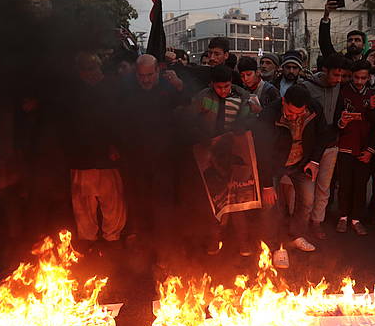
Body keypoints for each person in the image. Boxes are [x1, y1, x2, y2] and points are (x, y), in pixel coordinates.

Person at [186, 64, 258, 256]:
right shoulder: (204, 98)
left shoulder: (242, 96)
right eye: (219, 87)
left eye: (226, 86)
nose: (223, 91)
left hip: (235, 154)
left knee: (238, 201)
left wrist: (244, 124)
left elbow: (255, 114)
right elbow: (189, 119)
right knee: (216, 201)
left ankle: (243, 242)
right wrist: (200, 135)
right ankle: (214, 240)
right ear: (212, 85)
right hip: (211, 154)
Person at [118, 55, 184, 261]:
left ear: (157, 72)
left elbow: (189, 105)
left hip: (164, 160)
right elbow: (119, 121)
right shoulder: (127, 92)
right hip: (136, 160)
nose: (145, 80)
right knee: (138, 203)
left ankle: (163, 249)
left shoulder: (169, 88)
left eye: (149, 75)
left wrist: (180, 87)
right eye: (141, 76)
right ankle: (141, 250)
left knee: (162, 207)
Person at [257, 84, 328, 252]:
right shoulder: (268, 115)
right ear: (283, 102)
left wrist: (314, 161)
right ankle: (270, 243)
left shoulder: (314, 109)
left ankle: (297, 235)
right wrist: (267, 184)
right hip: (275, 164)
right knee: (269, 205)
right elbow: (262, 151)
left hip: (301, 162)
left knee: (307, 200)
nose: (294, 117)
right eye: (290, 112)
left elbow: (323, 135)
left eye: (299, 113)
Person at [67, 52, 126, 248]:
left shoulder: (112, 88)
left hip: (107, 160)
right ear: (80, 73)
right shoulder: (72, 93)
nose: (92, 74)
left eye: (95, 69)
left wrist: (116, 144)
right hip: (81, 160)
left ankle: (112, 242)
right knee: (83, 207)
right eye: (87, 70)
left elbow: (120, 120)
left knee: (113, 206)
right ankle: (88, 244)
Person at [334, 60, 375, 235]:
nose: (359, 81)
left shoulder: (374, 95)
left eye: (363, 78)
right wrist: (342, 122)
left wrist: (371, 150)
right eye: (356, 77)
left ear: (369, 77)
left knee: (361, 184)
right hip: (345, 146)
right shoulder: (342, 92)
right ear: (351, 75)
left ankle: (356, 219)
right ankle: (343, 217)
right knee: (345, 184)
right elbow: (335, 122)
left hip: (365, 148)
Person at [303, 53, 350, 239]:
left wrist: (341, 123)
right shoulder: (307, 87)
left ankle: (316, 222)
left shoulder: (339, 88)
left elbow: (337, 117)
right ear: (324, 70)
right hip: (310, 146)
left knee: (324, 187)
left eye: (341, 76)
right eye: (335, 75)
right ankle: (302, 221)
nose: (338, 80)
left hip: (331, 145)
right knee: (307, 188)